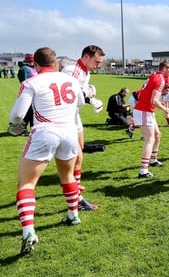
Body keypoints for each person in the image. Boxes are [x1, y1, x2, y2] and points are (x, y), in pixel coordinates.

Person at [9, 47, 85, 255]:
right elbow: (80, 102)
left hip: (44, 131)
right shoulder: (71, 80)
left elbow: (17, 116)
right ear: (56, 62)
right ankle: (73, 214)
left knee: (26, 183)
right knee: (67, 175)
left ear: (35, 64)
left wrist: (13, 125)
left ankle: (28, 232)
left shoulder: (31, 81)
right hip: (69, 131)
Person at [61, 45, 105, 211]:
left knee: (80, 152)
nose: (98, 65)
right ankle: (75, 196)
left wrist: (90, 93)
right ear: (86, 57)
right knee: (76, 156)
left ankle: (74, 185)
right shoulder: (72, 70)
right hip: (65, 117)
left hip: (75, 115)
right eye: (96, 61)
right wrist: (89, 99)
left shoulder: (85, 72)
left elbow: (81, 92)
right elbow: (69, 95)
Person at [133, 61, 169, 179]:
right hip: (144, 110)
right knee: (150, 139)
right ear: (165, 68)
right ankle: (143, 170)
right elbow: (153, 100)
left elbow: (144, 95)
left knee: (157, 135)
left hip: (146, 109)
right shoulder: (160, 79)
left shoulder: (154, 76)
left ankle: (153, 160)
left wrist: (157, 103)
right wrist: (164, 108)